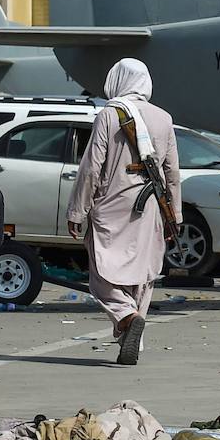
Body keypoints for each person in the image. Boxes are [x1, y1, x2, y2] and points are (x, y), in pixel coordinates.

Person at [67, 58, 180, 365]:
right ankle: (133, 333)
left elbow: (91, 167)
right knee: (142, 275)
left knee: (102, 273)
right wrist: (176, 216)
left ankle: (127, 318)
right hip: (151, 207)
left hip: (111, 205)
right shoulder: (163, 118)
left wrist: (78, 210)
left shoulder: (109, 114)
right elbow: (171, 173)